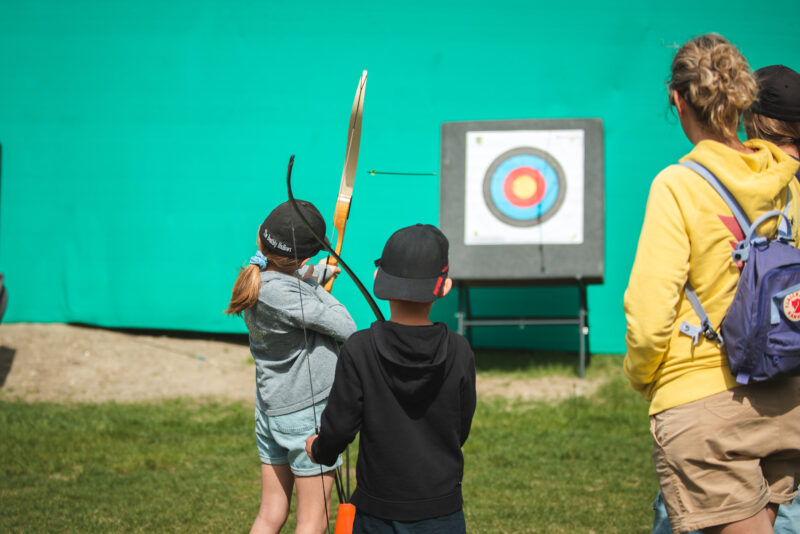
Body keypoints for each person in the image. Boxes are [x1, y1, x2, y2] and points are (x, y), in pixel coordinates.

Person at [624, 34, 800, 534]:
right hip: (787, 401)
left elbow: (649, 312)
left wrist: (646, 376)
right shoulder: (787, 182)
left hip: (706, 411)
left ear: (677, 100)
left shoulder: (678, 184)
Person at [305, 224, 477, 534]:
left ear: (377, 279)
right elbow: (460, 427)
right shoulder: (460, 350)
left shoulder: (360, 348)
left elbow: (341, 425)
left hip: (376, 513)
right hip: (441, 511)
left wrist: (320, 449)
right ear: (445, 287)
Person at [225, 200, 356, 534]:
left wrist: (314, 273)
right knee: (312, 521)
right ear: (303, 258)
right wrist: (314, 285)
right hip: (305, 417)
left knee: (270, 514)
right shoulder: (291, 294)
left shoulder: (259, 279)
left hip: (272, 412)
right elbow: (346, 326)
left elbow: (290, 282)